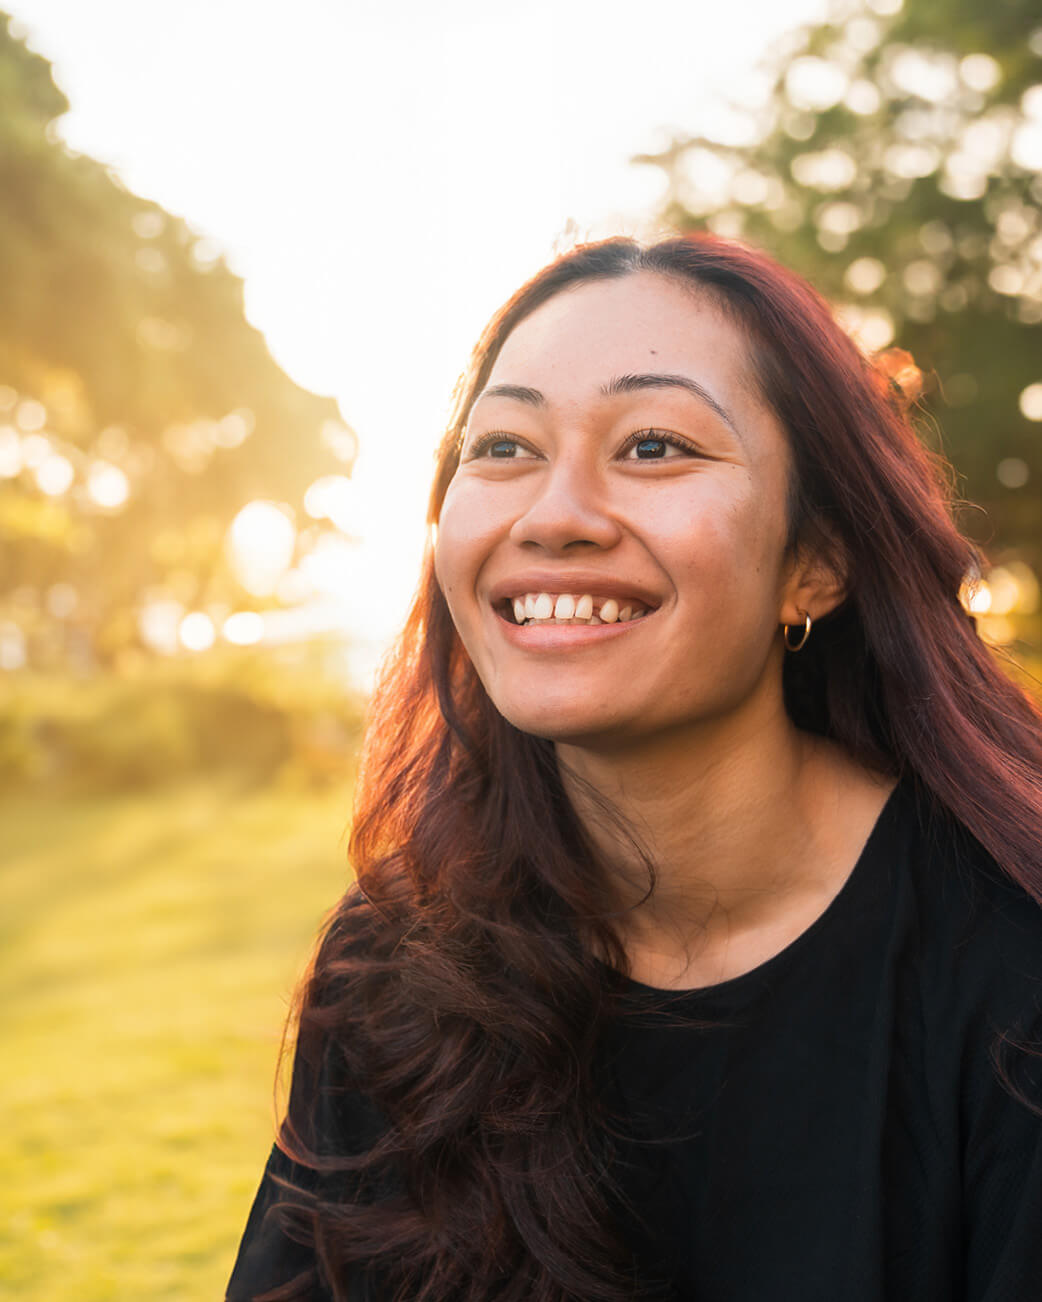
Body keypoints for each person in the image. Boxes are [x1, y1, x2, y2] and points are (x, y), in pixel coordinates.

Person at [226, 234, 1042, 1302]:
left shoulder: (1008, 969)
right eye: (505, 446)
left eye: (653, 446)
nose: (553, 516)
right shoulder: (395, 965)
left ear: (817, 562)